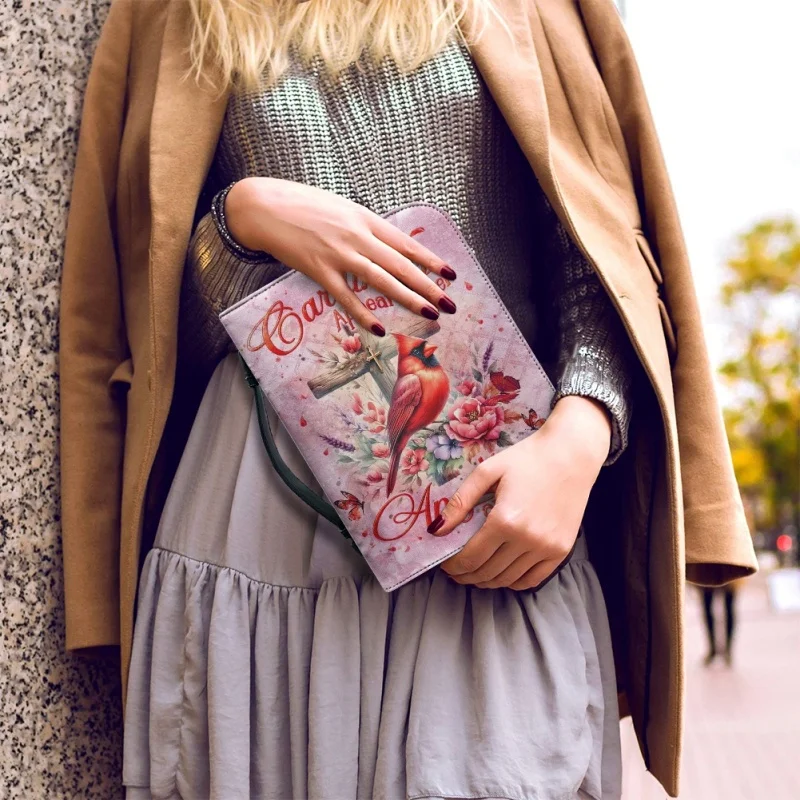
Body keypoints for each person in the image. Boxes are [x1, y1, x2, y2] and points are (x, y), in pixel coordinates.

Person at [58, 1, 759, 798]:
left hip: (493, 508)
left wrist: (583, 430)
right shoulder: (171, 11)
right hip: (255, 522)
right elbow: (139, 327)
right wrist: (240, 220)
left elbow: (596, 248)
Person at [701, 577, 746, 667]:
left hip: (727, 566)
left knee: (729, 607)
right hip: (708, 567)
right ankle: (713, 648)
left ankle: (727, 650)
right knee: (708, 607)